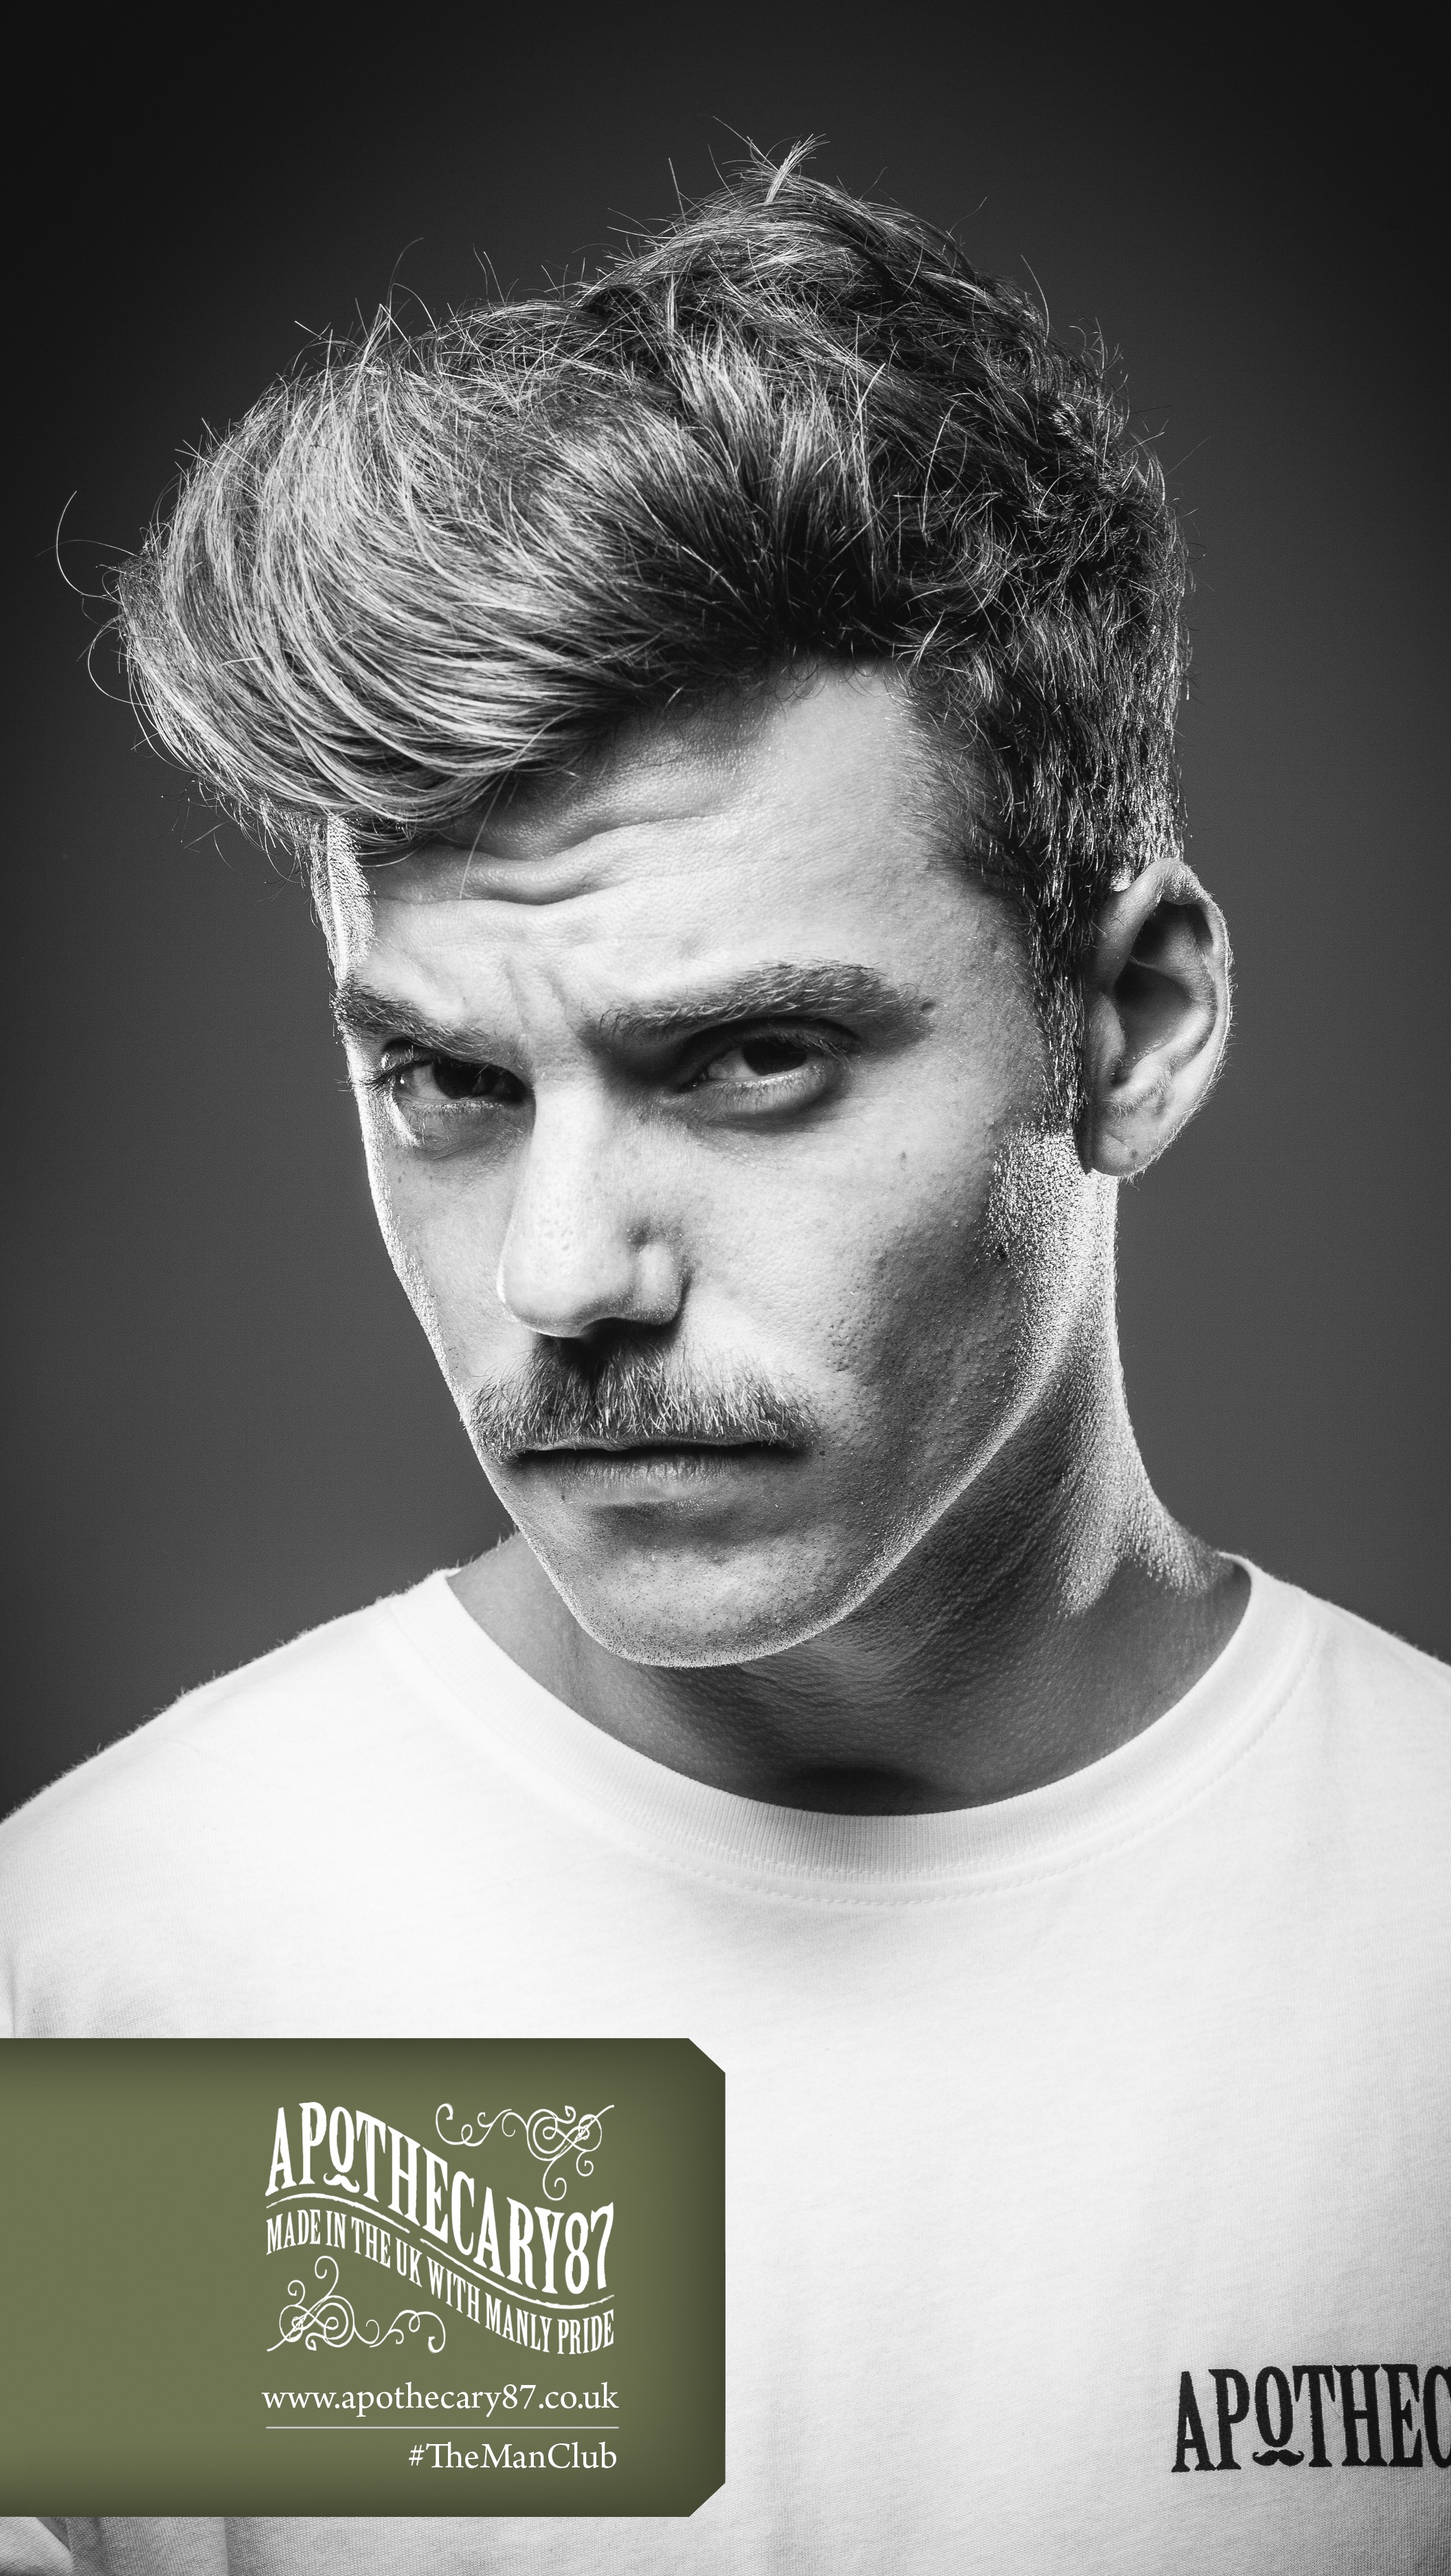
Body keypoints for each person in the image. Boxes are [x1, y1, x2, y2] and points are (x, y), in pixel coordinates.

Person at [1, 151, 1446, 2576]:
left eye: (754, 1058)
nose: (564, 1272)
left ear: (1129, 1025)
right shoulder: (135, 1988)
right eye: (448, 1082)